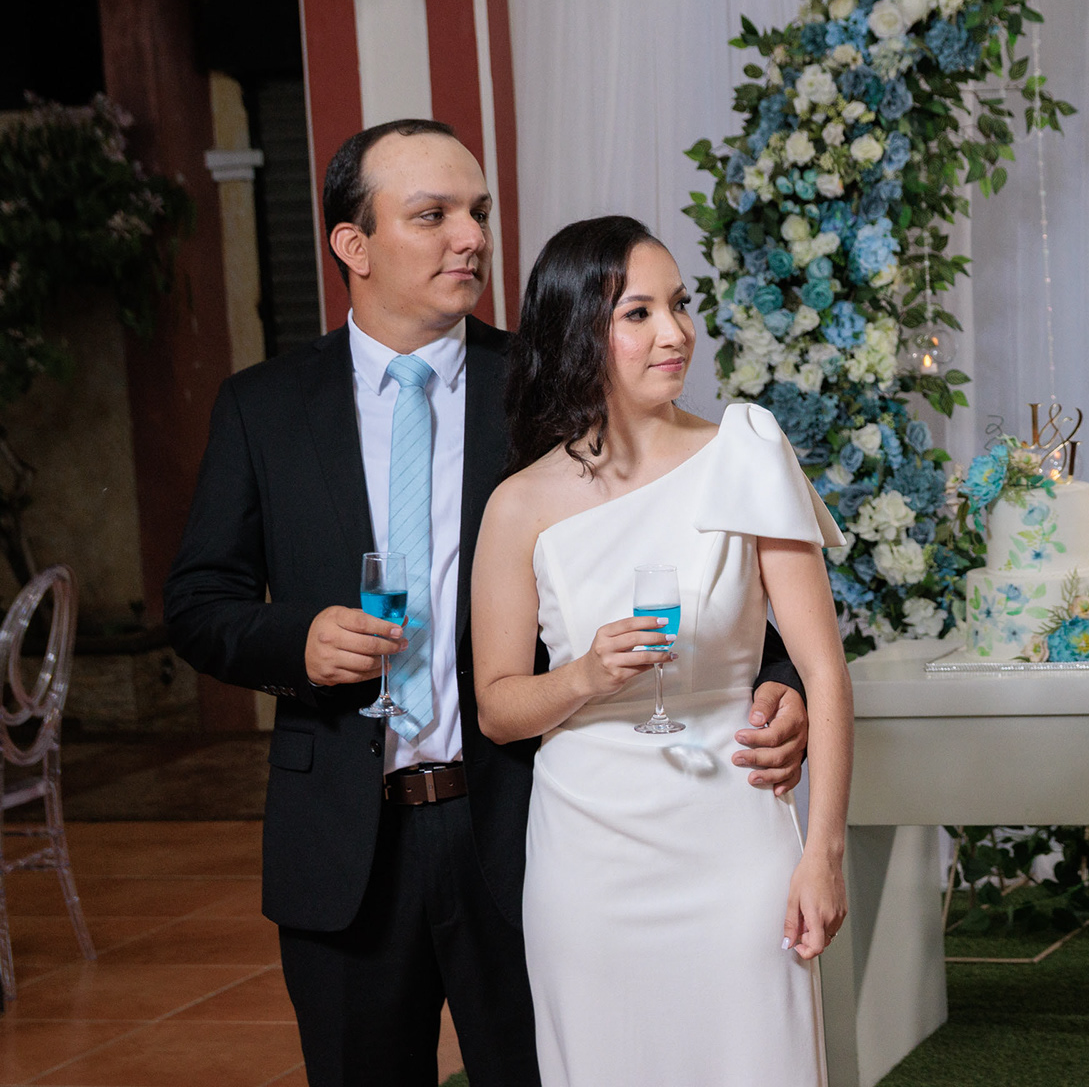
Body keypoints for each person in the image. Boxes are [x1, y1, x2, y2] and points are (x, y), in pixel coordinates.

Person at [164, 120, 811, 1087]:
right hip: (344, 837)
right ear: (353, 244)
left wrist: (777, 678)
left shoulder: (551, 387)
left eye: (479, 212)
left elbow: (691, 540)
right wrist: (295, 641)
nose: (471, 237)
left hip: (524, 827)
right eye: (433, 216)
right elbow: (197, 601)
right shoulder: (263, 407)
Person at [470, 216, 852, 1085]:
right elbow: (497, 708)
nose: (675, 333)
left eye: (679, 305)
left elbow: (824, 672)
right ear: (578, 332)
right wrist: (585, 675)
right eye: (637, 313)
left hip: (734, 840)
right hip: (588, 861)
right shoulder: (519, 505)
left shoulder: (747, 452)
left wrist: (822, 854)